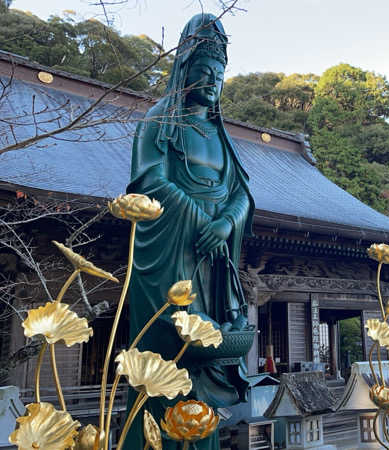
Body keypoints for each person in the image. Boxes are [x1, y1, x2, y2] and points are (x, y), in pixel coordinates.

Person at [123, 13, 254, 449]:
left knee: (212, 343)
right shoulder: (161, 119)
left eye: (220, 74)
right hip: (173, 256)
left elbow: (241, 193)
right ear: (184, 70)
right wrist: (203, 222)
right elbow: (150, 183)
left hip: (216, 258)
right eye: (204, 71)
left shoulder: (220, 132)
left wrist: (225, 224)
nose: (213, 81)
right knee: (173, 353)